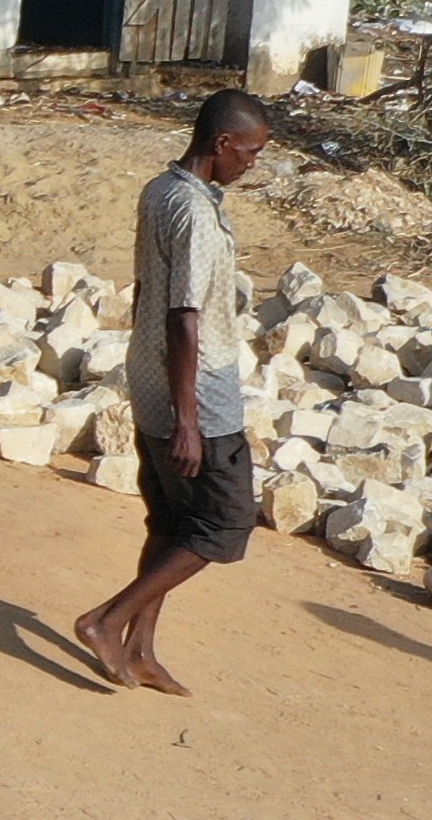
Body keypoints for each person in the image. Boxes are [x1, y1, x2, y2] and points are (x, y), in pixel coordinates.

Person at [77, 87, 283, 695]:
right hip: (198, 394)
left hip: (151, 379)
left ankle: (138, 647)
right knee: (225, 522)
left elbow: (150, 293)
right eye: (249, 153)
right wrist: (189, 420)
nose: (252, 164)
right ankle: (106, 622)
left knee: (171, 522)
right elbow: (183, 315)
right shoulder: (192, 212)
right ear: (221, 144)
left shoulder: (161, 189)